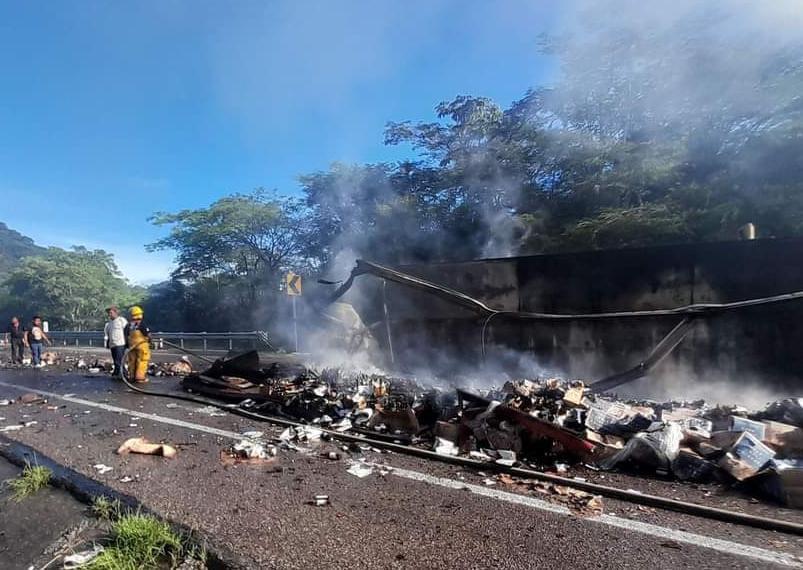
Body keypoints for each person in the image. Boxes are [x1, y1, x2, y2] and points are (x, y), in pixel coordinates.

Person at [124, 305, 151, 383]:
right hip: (141, 346)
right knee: (142, 361)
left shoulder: (128, 325)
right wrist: (150, 340)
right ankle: (140, 378)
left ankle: (132, 377)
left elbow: (125, 335)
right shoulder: (141, 324)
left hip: (132, 347)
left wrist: (127, 345)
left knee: (132, 361)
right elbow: (147, 334)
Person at [103, 306, 127, 378]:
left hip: (120, 344)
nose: (109, 314)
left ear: (116, 312)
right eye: (108, 313)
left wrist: (128, 343)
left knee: (119, 360)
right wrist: (107, 343)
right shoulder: (109, 324)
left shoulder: (121, 320)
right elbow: (108, 334)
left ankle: (123, 374)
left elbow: (127, 331)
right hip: (112, 344)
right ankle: (116, 373)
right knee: (115, 360)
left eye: (111, 313)